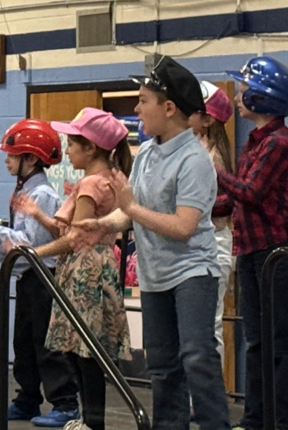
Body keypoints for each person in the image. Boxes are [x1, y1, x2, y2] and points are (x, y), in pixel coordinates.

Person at [76, 57, 230, 429]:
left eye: (143, 100)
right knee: (162, 364)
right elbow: (132, 212)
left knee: (196, 355)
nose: (136, 108)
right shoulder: (146, 153)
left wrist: (129, 207)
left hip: (192, 271)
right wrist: (103, 223)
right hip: (155, 273)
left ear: (169, 108)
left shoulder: (195, 160)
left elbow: (183, 226)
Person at [13, 109, 133, 430]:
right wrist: (38, 216)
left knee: (86, 352)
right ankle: (86, 418)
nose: (66, 151)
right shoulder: (107, 179)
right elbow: (67, 231)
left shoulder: (93, 184)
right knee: (83, 350)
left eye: (72, 145)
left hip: (86, 270)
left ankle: (91, 421)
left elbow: (75, 240)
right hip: (93, 266)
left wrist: (33, 252)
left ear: (91, 148)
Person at [0, 119, 80, 426]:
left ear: (31, 159)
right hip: (27, 278)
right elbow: (20, 239)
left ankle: (65, 403)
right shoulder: (25, 190)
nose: (7, 160)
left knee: (46, 344)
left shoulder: (42, 195)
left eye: (12, 154)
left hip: (43, 278)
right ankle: (28, 399)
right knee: (23, 343)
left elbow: (31, 243)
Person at [217, 56, 288, 430]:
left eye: (245, 90)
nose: (240, 97)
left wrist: (214, 174)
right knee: (258, 342)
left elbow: (252, 192)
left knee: (276, 343)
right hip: (251, 252)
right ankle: (256, 417)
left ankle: (277, 418)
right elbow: (235, 197)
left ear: (263, 97)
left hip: (272, 255)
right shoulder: (257, 143)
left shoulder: (278, 143)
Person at [189, 81, 236, 367]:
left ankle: (207, 396)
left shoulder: (213, 156)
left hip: (214, 242)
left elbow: (223, 204)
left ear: (207, 120)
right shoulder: (195, 151)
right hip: (197, 243)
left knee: (210, 324)